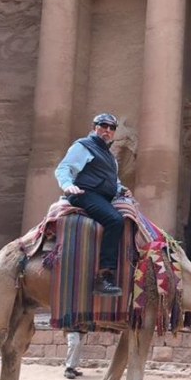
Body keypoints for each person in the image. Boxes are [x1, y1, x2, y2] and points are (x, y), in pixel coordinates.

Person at [55, 112, 128, 296]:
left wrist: (121, 189)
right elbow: (64, 168)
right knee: (115, 220)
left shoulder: (109, 157)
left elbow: (113, 180)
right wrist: (68, 185)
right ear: (94, 127)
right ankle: (104, 276)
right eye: (103, 125)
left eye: (112, 128)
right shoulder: (83, 146)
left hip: (102, 197)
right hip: (85, 193)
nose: (108, 130)